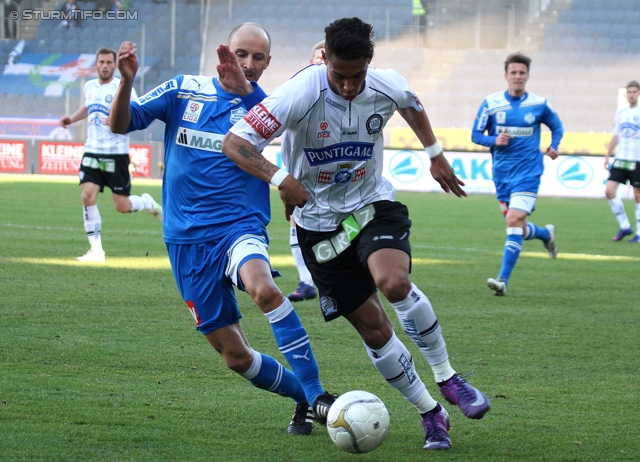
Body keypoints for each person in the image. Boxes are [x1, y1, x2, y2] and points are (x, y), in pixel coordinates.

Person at [223, 17, 490, 451]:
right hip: (317, 225)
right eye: (340, 77)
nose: (349, 87)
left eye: (357, 77)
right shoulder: (299, 93)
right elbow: (235, 143)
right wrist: (279, 179)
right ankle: (431, 414)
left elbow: (412, 103)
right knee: (373, 328)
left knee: (393, 281)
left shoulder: (386, 84)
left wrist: (435, 154)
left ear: (370, 63)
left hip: (369, 208)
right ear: (324, 58)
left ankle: (448, 377)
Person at [109, 23, 333, 436]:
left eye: (258, 57)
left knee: (263, 289)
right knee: (235, 357)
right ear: (224, 52)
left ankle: (318, 395)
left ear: (269, 62)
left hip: (238, 226)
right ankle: (303, 397)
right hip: (184, 239)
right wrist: (126, 82)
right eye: (241, 54)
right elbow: (122, 123)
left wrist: (247, 91)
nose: (248, 64)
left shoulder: (266, 104)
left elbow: (282, 123)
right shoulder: (183, 89)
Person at [471, 52, 563, 296]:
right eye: (513, 73)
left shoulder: (539, 104)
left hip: (528, 173)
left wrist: (555, 145)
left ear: (528, 76)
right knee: (518, 228)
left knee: (513, 221)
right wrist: (494, 140)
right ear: (506, 76)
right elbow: (475, 135)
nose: (518, 77)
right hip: (502, 176)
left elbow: (557, 126)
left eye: (522, 73)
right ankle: (545, 234)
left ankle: (503, 280)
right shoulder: (491, 103)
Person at [60, 47, 162, 263]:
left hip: (115, 154)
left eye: (109, 62)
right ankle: (96, 250)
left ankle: (146, 202)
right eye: (101, 62)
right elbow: (88, 107)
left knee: (122, 206)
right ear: (96, 65)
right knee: (87, 195)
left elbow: (135, 110)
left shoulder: (122, 86)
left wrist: (118, 118)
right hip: (92, 151)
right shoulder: (89, 86)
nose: (105, 66)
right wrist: (71, 119)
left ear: (115, 65)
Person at [286, 40, 324, 303]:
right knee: (296, 222)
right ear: (311, 63)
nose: (322, 64)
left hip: (339, 174)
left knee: (354, 222)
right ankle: (307, 281)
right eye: (318, 59)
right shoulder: (299, 89)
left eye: (326, 59)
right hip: (303, 171)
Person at [604, 80, 640, 243]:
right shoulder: (621, 112)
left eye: (634, 91)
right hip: (621, 158)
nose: (632, 95)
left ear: (638, 93)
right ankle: (625, 226)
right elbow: (616, 135)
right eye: (629, 92)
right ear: (626, 94)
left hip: (637, 159)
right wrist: (607, 155)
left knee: (637, 195)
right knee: (609, 191)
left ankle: (639, 233)